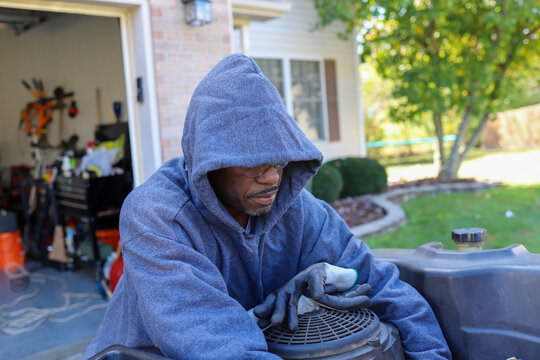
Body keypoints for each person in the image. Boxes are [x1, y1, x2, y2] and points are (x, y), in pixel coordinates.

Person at [85, 54, 451, 359]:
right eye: (253, 163)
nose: (273, 178)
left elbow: (384, 286)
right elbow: (220, 343)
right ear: (208, 162)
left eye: (279, 162)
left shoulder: (302, 213)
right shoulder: (157, 216)